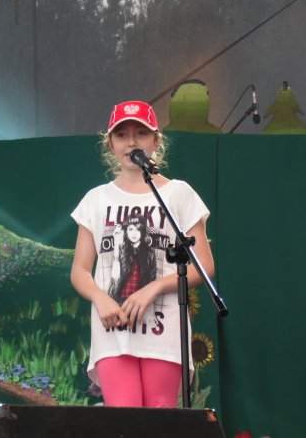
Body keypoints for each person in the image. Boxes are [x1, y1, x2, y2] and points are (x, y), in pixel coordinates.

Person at [70, 100, 216, 408]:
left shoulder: (179, 193)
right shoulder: (96, 199)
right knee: (124, 416)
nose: (131, 142)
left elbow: (203, 265)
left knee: (160, 416)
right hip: (113, 327)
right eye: (122, 135)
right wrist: (100, 298)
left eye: (141, 133)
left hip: (163, 326)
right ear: (110, 144)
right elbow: (80, 270)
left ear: (156, 140)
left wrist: (155, 287)